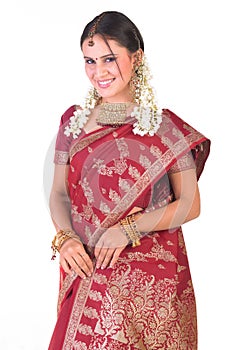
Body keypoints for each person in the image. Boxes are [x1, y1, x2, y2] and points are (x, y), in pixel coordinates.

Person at [48, 10, 210, 350]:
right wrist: (64, 238)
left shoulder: (167, 129)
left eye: (109, 58)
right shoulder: (73, 122)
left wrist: (128, 229)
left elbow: (190, 204)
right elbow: (60, 194)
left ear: (136, 58)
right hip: (88, 269)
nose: (99, 71)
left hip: (150, 283)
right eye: (89, 61)